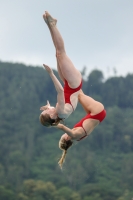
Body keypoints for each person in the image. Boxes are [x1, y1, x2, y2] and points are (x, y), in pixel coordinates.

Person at [40, 11, 82, 127]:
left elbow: (54, 107)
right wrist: (51, 73)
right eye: (47, 112)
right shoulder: (61, 112)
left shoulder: (57, 114)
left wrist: (48, 107)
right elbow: (61, 91)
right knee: (61, 53)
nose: (48, 109)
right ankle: (52, 25)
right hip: (74, 84)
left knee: (57, 54)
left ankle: (52, 25)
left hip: (68, 83)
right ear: (52, 116)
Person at [56, 90, 106, 168]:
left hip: (96, 115)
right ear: (66, 138)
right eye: (63, 136)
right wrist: (50, 123)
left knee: (78, 93)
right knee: (77, 93)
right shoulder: (75, 135)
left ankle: (73, 80)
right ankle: (70, 80)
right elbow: (62, 127)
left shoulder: (77, 138)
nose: (64, 134)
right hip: (97, 112)